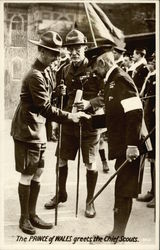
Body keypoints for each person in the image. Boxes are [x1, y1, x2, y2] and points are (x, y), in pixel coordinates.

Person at [11, 30, 90, 235]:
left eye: (57, 53)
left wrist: (58, 92)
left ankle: (33, 214)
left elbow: (49, 95)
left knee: (38, 172)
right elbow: (44, 107)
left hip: (39, 129)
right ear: (42, 52)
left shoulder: (47, 70)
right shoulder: (35, 75)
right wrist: (70, 116)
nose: (58, 57)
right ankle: (24, 218)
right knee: (28, 174)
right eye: (54, 53)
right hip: (27, 129)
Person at [44, 29, 104, 218]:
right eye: (70, 49)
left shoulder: (96, 69)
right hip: (68, 123)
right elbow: (55, 95)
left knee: (90, 163)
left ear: (85, 48)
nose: (73, 52)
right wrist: (58, 92)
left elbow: (106, 96)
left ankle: (89, 201)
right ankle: (61, 194)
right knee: (61, 159)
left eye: (77, 48)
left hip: (89, 125)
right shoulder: (64, 68)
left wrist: (89, 103)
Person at [89, 44, 143, 237]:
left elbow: (135, 112)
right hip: (125, 144)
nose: (95, 73)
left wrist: (131, 145)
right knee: (122, 189)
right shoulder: (111, 79)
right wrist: (89, 120)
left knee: (124, 190)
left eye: (95, 68)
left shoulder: (120, 79)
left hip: (131, 145)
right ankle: (117, 234)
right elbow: (116, 115)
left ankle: (117, 236)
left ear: (102, 62)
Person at [137, 53, 156, 208]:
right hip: (150, 121)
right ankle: (153, 190)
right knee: (153, 158)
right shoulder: (153, 75)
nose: (154, 61)